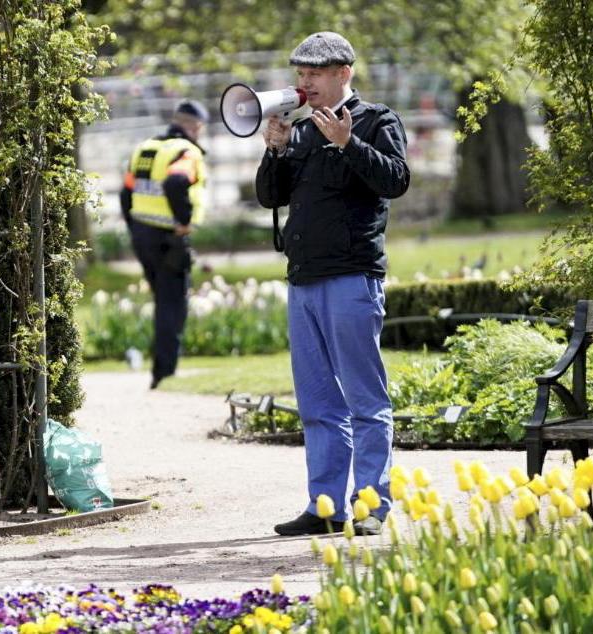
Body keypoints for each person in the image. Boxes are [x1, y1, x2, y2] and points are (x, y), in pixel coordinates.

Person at [255, 32, 410, 536]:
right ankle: (325, 508)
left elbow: (395, 180)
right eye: (300, 74)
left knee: (365, 402)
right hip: (304, 281)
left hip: (352, 278)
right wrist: (275, 153)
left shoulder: (376, 120)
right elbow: (268, 197)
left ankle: (370, 507)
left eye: (314, 75)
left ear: (343, 73)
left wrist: (349, 143)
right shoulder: (298, 128)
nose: (304, 83)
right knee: (318, 404)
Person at [120, 99, 210, 389]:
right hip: (170, 238)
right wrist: (183, 222)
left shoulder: (146, 148)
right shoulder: (186, 153)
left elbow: (126, 192)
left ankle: (161, 369)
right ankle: (165, 373)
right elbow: (175, 183)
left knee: (162, 302)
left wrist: (134, 226)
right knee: (173, 305)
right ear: (195, 127)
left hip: (142, 234)